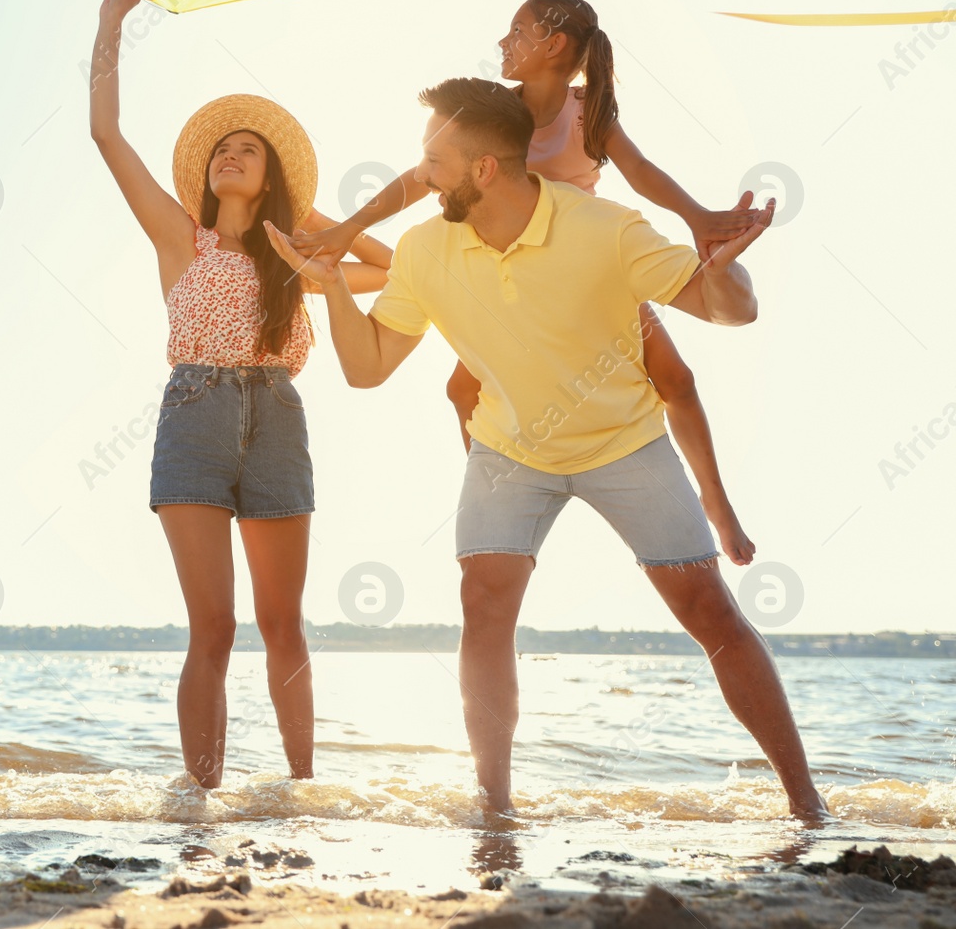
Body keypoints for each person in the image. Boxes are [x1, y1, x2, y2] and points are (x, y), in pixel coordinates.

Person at [264, 77, 829, 821]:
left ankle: (806, 800)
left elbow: (733, 309)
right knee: (483, 602)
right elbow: (367, 368)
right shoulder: (425, 250)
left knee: (708, 609)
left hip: (622, 441)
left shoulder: (605, 228)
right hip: (509, 451)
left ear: (484, 169)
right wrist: (332, 285)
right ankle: (493, 804)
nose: (420, 174)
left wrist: (725, 274)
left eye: (435, 159)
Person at [295, 0, 760, 564]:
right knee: (462, 388)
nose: (502, 43)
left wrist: (700, 219)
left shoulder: (587, 112)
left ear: (554, 45)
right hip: (508, 278)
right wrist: (350, 226)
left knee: (676, 379)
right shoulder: (495, 115)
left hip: (583, 274)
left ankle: (714, 502)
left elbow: (640, 172)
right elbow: (421, 177)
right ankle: (504, 497)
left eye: (517, 32)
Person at [88, 0, 392, 787]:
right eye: (223, 149)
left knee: (283, 622)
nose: (231, 155)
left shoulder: (296, 259)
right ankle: (202, 795)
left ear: (271, 177)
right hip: (193, 411)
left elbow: (389, 267)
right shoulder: (180, 238)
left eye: (248, 151)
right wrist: (114, 18)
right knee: (214, 625)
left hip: (277, 418)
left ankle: (302, 788)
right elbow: (107, 135)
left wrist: (309, 221)